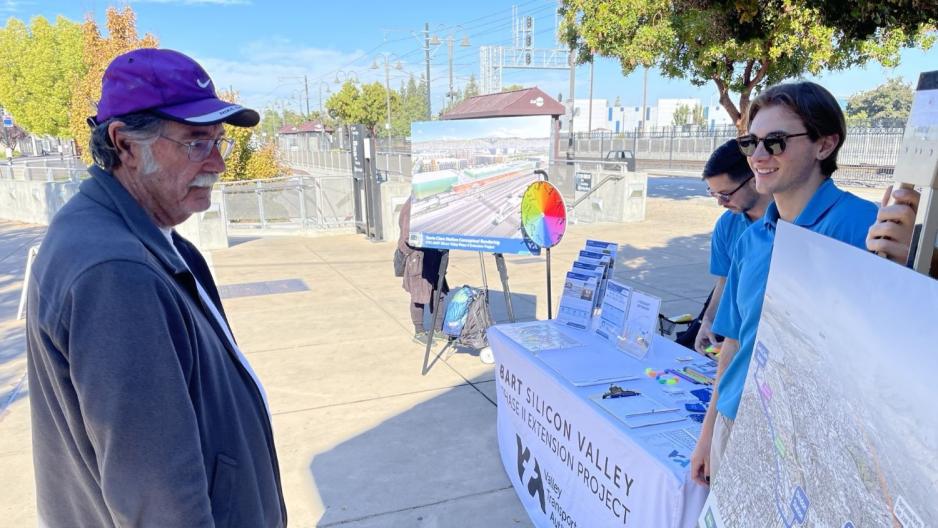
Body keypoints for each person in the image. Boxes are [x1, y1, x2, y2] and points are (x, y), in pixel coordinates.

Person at [25, 48, 286, 527]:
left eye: (218, 142)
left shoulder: (132, 234)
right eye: (194, 142)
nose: (217, 164)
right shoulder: (116, 271)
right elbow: (156, 495)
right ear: (124, 143)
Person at [689, 81, 878, 487]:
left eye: (774, 142)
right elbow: (733, 345)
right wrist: (708, 433)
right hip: (736, 421)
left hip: (813, 442)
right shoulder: (751, 239)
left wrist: (897, 265)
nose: (757, 156)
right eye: (750, 142)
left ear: (824, 145)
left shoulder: (865, 227)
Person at [693, 139, 772, 355]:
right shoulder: (727, 224)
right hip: (734, 335)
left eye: (725, 194)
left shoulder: (786, 222)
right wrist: (707, 320)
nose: (720, 202)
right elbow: (725, 280)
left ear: (754, 179)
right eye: (713, 193)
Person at [397, 195, 449, 344]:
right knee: (419, 296)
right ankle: (419, 332)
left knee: (439, 294)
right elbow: (407, 237)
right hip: (418, 258)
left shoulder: (432, 201)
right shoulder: (411, 205)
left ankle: (438, 330)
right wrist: (429, 240)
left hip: (435, 255)